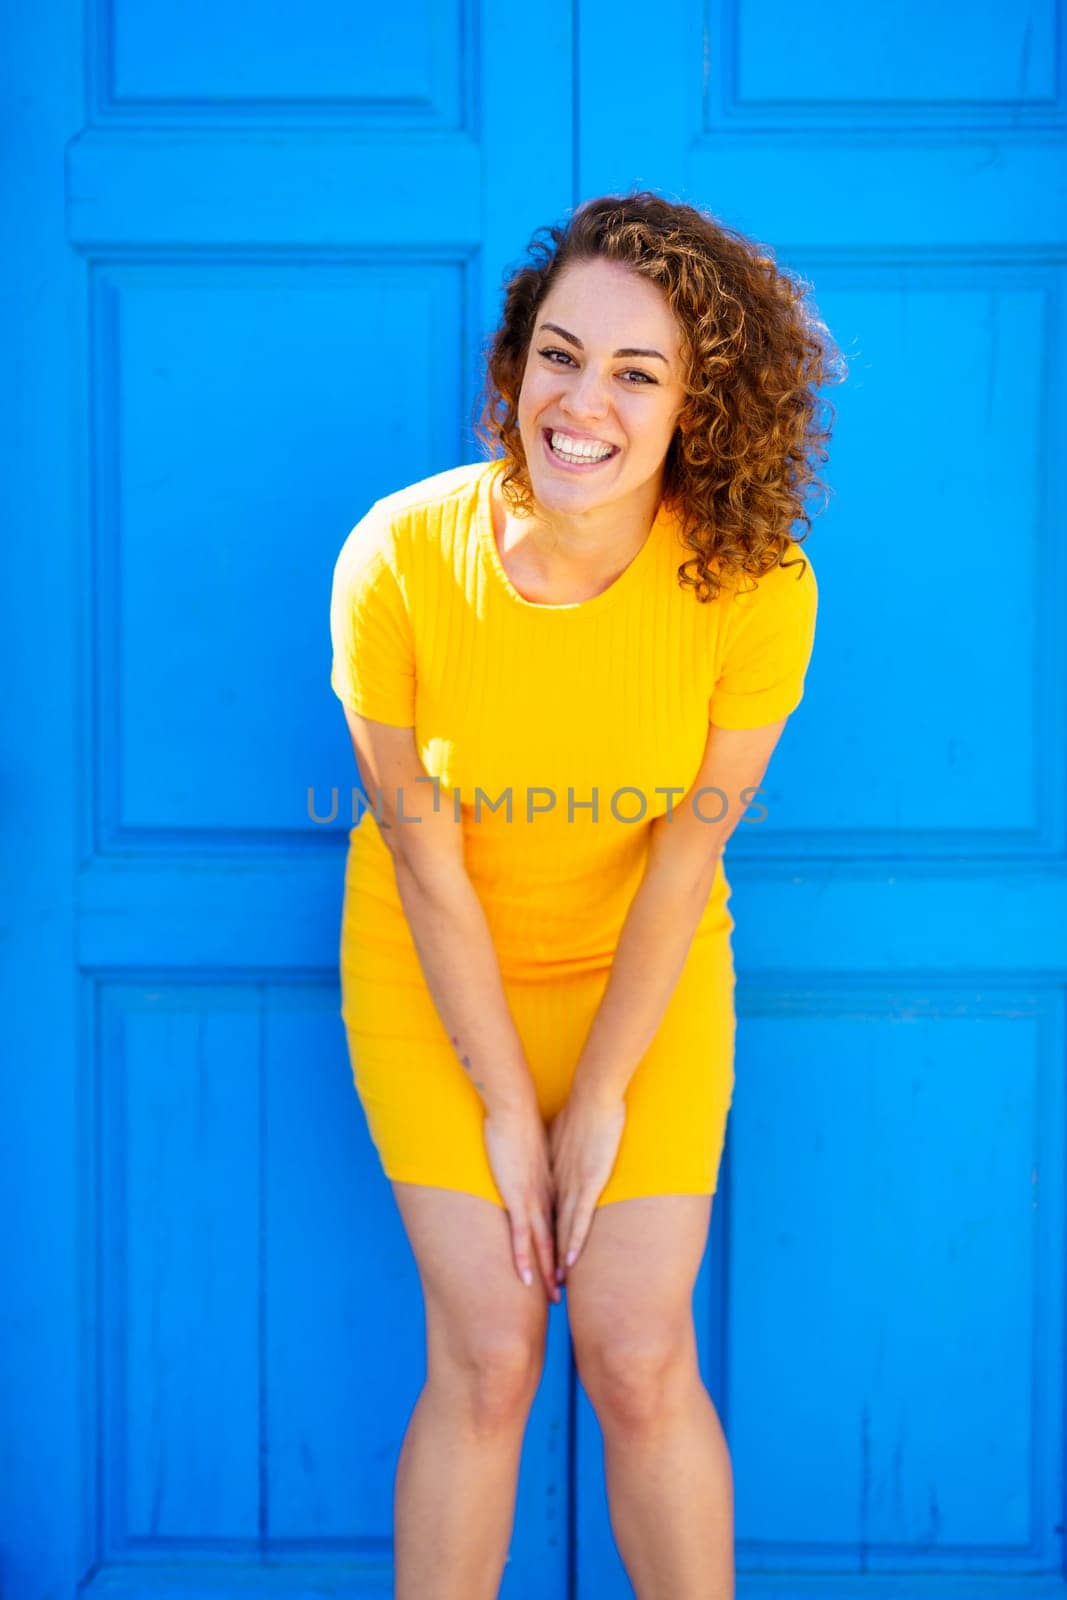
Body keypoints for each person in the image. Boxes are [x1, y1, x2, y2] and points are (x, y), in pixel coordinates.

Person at [328, 190, 845, 1599]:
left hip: (646, 976)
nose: (583, 403)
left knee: (633, 1347)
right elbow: (420, 855)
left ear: (698, 409)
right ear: (512, 370)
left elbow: (693, 845)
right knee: (490, 1352)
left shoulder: (753, 585)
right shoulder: (396, 561)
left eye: (636, 373)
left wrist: (601, 1093)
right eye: (559, 354)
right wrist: (507, 1104)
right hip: (435, 975)